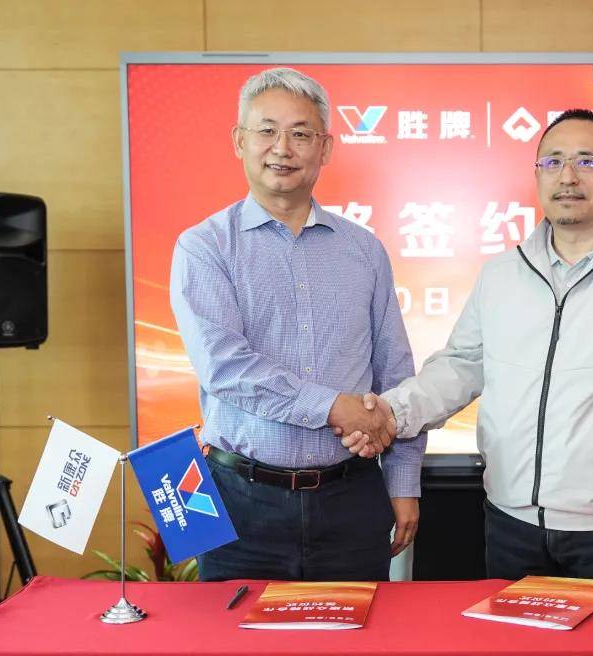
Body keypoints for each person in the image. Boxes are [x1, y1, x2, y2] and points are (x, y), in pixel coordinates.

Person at [344, 109, 593, 585]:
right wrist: (389, 413)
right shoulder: (501, 274)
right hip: (511, 522)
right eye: (553, 161)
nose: (568, 177)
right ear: (538, 174)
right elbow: (461, 367)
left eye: (588, 162)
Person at [170, 67, 422, 582]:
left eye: (301, 134)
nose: (282, 148)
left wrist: (403, 482)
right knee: (234, 628)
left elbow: (395, 373)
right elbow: (224, 368)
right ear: (239, 141)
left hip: (351, 500)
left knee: (358, 627)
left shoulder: (364, 250)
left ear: (325, 148)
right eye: (266, 130)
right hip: (241, 505)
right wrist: (332, 406)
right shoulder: (205, 247)